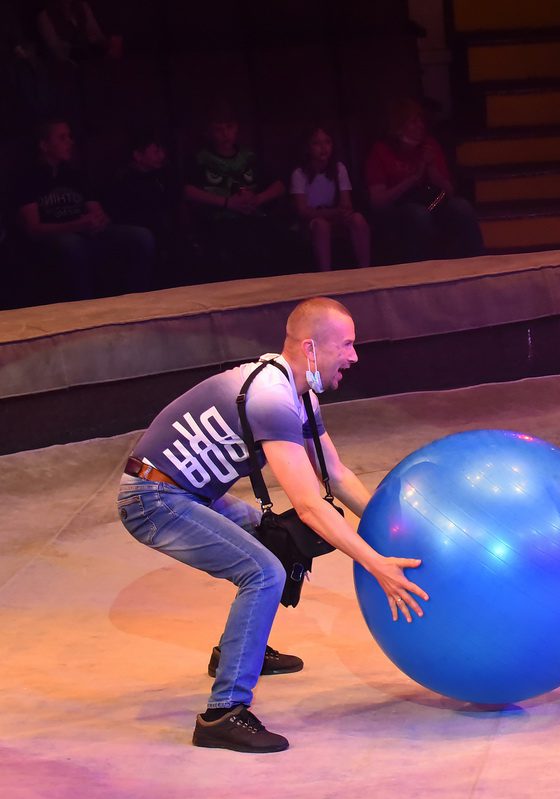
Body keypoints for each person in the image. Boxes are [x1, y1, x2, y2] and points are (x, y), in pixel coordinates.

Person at [117, 297, 429, 753]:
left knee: (275, 542)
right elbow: (309, 506)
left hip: (187, 493)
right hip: (152, 499)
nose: (354, 356)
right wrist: (376, 563)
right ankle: (223, 714)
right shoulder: (272, 398)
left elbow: (335, 473)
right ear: (310, 348)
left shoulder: (299, 394)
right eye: (345, 344)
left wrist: (390, 530)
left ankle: (237, 651)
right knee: (264, 572)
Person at [17, 117, 154, 302]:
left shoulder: (75, 175)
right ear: (44, 145)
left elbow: (95, 209)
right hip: (57, 236)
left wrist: (99, 220)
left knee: (141, 236)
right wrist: (75, 225)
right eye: (62, 138)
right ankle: (85, 305)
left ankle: (136, 300)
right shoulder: (28, 179)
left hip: (87, 231)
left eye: (70, 137)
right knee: (71, 244)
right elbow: (33, 228)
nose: (70, 142)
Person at [184, 102, 297, 281]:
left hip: (253, 216)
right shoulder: (200, 159)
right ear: (210, 132)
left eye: (229, 127)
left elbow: (279, 186)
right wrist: (227, 203)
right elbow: (188, 191)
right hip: (218, 221)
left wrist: (258, 199)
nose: (225, 134)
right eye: (219, 129)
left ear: (236, 128)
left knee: (280, 238)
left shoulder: (249, 156)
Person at [365, 99, 483, 263]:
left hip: (430, 202)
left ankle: (477, 264)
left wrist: (431, 168)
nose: (420, 125)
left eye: (421, 120)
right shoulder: (381, 150)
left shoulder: (429, 145)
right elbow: (377, 200)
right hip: (398, 206)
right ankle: (425, 271)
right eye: (414, 122)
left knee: (461, 207)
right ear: (399, 126)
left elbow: (449, 191)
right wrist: (412, 179)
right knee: (418, 215)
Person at [106, 126, 186, 286]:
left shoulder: (162, 175)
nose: (162, 156)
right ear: (138, 155)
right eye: (156, 152)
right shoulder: (125, 181)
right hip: (141, 232)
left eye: (161, 151)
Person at [291, 125, 370, 272]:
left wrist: (342, 212)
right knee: (321, 225)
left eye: (327, 142)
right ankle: (326, 274)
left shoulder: (339, 168)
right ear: (308, 147)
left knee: (358, 219)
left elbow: (346, 203)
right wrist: (331, 212)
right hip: (312, 219)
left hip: (335, 215)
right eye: (317, 143)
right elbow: (303, 210)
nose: (323, 148)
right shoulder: (299, 173)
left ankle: (365, 270)